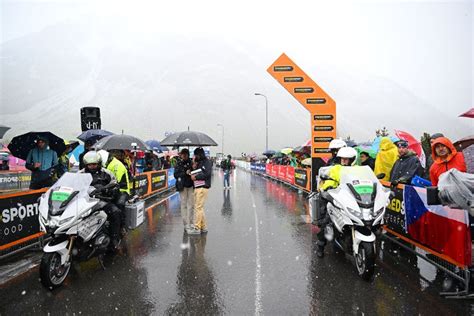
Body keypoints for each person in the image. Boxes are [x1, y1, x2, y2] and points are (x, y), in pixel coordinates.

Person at [316, 147, 358, 258]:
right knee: (327, 222)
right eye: (342, 159)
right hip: (339, 198)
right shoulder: (336, 169)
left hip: (353, 199)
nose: (344, 161)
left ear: (352, 159)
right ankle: (320, 246)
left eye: (346, 159)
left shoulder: (357, 169)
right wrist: (328, 185)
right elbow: (329, 179)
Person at [81, 151, 122, 248]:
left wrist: (108, 190)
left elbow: (115, 184)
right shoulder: (80, 174)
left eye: (94, 164)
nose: (92, 166)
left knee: (115, 212)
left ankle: (114, 238)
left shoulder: (106, 173)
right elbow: (72, 186)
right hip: (84, 202)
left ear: (99, 163)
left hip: (102, 201)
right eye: (89, 165)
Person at [187, 147, 212, 235]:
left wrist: (196, 177)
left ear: (199, 155)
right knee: (199, 208)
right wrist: (193, 166)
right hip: (197, 187)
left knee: (198, 207)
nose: (194, 156)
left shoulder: (207, 162)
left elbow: (207, 174)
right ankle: (203, 226)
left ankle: (197, 227)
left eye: (196, 155)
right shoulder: (198, 163)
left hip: (202, 187)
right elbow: (195, 172)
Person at [174, 148, 194, 231]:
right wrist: (184, 173)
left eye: (186, 154)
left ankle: (191, 222)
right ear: (181, 155)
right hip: (182, 186)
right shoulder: (178, 163)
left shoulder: (192, 163)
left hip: (191, 186)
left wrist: (192, 170)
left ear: (188, 155)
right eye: (183, 154)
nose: (184, 156)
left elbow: (195, 172)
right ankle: (185, 223)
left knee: (191, 205)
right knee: (183, 205)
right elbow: (176, 175)